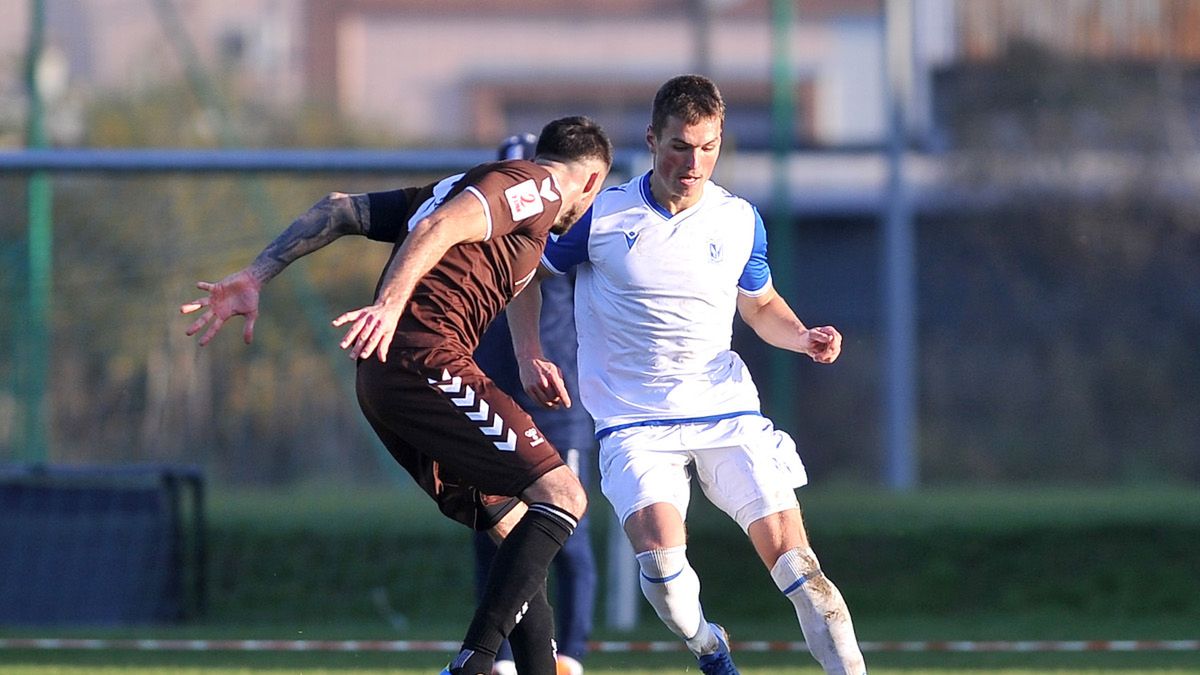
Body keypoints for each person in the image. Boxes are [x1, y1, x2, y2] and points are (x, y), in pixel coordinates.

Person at [180, 116, 613, 675]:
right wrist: (389, 305)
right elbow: (437, 231)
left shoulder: (471, 190)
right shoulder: (538, 186)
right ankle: (474, 663)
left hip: (386, 374)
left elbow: (339, 209)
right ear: (593, 180)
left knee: (514, 531)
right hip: (424, 357)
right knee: (565, 496)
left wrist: (256, 276)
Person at [507, 76, 868, 675]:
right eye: (679, 146)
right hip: (634, 422)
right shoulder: (600, 216)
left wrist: (803, 337)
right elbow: (526, 273)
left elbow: (759, 304)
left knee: (803, 573)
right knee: (667, 580)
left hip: (725, 410)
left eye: (707, 147)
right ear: (652, 140)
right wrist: (527, 355)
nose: (693, 162)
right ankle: (708, 646)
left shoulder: (738, 219)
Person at [472, 133, 597, 675]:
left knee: (564, 529)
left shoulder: (566, 237)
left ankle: (569, 654)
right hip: (487, 399)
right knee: (492, 528)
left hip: (557, 405)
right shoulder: (475, 232)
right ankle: (500, 657)